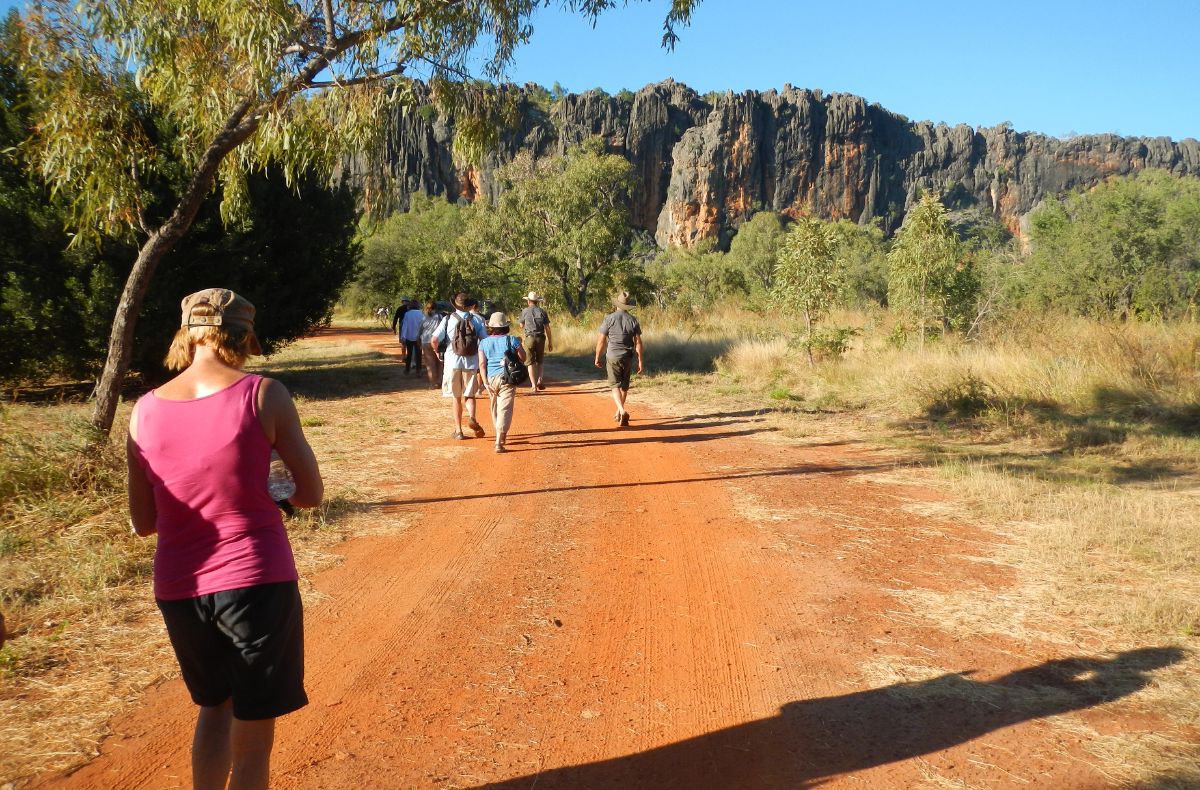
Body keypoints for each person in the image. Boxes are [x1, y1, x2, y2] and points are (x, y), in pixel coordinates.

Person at [126, 288, 323, 790]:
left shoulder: (144, 410)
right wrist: (273, 493)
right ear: (244, 336)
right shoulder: (263, 394)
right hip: (255, 581)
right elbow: (311, 493)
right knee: (253, 745)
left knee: (213, 709)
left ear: (187, 333)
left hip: (178, 588)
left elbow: (143, 523)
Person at [431, 292, 487, 440]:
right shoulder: (477, 319)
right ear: (470, 306)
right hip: (471, 362)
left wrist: (437, 352)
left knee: (456, 398)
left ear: (455, 304)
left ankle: (458, 431)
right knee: (469, 395)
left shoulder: (448, 319)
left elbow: (434, 339)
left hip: (452, 362)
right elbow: (485, 340)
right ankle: (473, 418)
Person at [478, 312, 528, 453]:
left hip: (491, 378)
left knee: (494, 408)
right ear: (506, 326)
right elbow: (523, 358)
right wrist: (519, 346)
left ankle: (500, 434)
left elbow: (482, 364)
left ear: (491, 327)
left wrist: (485, 382)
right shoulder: (512, 340)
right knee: (504, 408)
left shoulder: (483, 342)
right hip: (508, 378)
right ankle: (499, 441)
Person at [595, 291, 645, 427]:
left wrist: (597, 356)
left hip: (612, 356)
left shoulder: (609, 319)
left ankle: (622, 410)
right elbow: (638, 343)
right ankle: (618, 411)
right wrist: (640, 360)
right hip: (627, 356)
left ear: (616, 305)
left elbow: (601, 340)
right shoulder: (633, 320)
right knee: (624, 386)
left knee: (614, 385)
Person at [518, 291, 553, 392]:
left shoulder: (524, 311)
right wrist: (550, 342)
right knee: (540, 360)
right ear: (537, 301)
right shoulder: (542, 311)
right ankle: (540, 378)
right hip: (540, 338)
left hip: (529, 338)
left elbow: (521, 325)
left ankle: (533, 386)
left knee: (530, 362)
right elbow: (547, 328)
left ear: (528, 301)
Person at [419, 300, 446, 389]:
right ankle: (440, 381)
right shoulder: (439, 317)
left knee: (430, 364)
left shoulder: (423, 318)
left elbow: (419, 331)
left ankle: (433, 383)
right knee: (440, 362)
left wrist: (418, 341)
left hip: (426, 341)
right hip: (438, 341)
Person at [399, 299, 425, 374]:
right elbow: (423, 326)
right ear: (418, 305)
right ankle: (418, 370)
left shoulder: (407, 314)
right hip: (419, 337)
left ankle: (407, 369)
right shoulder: (421, 313)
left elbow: (405, 326)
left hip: (409, 336)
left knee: (409, 353)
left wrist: (403, 337)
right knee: (418, 354)